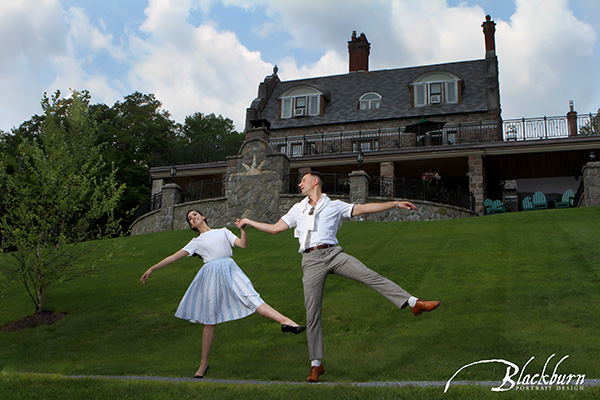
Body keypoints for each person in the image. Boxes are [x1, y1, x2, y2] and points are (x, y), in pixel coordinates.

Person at [237, 171, 440, 383]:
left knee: (369, 275)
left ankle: (414, 303)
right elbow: (275, 229)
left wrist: (395, 203)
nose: (299, 184)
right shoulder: (298, 209)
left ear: (314, 182)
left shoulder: (334, 205)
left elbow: (364, 208)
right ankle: (316, 364)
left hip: (334, 254)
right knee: (312, 312)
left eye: (302, 181)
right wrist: (249, 222)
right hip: (311, 261)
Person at [140, 210, 305, 379]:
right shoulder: (195, 242)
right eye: (190, 218)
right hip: (211, 275)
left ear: (203, 216)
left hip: (230, 270)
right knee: (209, 320)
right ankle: (203, 364)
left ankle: (287, 322)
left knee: (252, 298)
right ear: (191, 225)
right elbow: (174, 257)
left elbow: (242, 244)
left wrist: (243, 229)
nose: (193, 218)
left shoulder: (223, 231)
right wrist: (152, 268)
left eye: (195, 215)